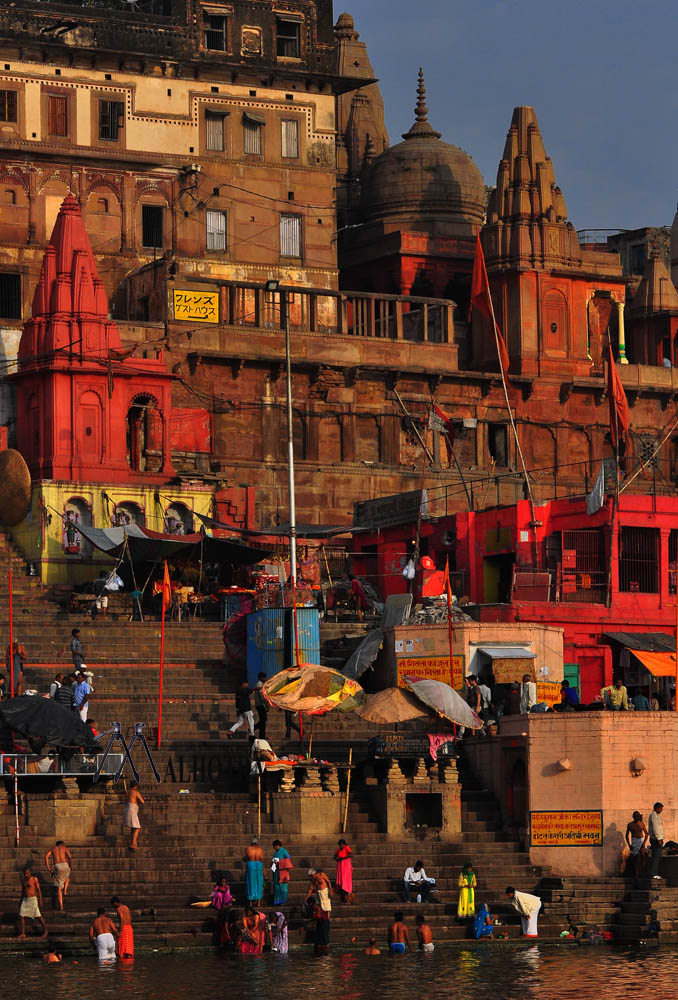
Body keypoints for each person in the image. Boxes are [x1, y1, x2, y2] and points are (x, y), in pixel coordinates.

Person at [18, 866, 47, 940]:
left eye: (27, 873)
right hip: (25, 900)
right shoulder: (23, 880)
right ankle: (23, 933)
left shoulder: (34, 879)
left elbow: (39, 890)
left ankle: (46, 931)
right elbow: (23, 891)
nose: (26, 875)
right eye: (25, 874)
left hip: (33, 900)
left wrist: (41, 900)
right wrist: (20, 901)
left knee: (38, 916)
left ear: (30, 873)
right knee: (21, 915)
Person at [45, 840, 72, 911]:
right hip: (65, 865)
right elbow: (70, 857)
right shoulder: (64, 847)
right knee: (67, 877)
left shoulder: (53, 848)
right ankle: (65, 890)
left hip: (57, 866)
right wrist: (70, 866)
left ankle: (61, 906)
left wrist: (49, 868)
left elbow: (46, 857)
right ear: (62, 844)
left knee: (59, 887)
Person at [625, 811, 649, 878]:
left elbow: (646, 834)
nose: (637, 817)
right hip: (634, 841)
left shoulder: (641, 824)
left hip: (641, 840)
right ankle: (635, 873)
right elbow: (626, 835)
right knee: (634, 858)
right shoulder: (630, 824)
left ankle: (643, 873)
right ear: (633, 817)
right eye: (635, 816)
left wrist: (643, 843)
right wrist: (629, 845)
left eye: (638, 816)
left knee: (643, 856)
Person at [124, 781, 144, 850]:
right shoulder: (136, 792)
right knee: (137, 828)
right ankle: (133, 844)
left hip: (126, 809)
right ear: (135, 786)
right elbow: (142, 801)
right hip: (132, 810)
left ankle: (133, 843)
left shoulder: (127, 792)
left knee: (133, 828)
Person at [243, 837, 264, 905]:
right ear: (257, 843)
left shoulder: (248, 849)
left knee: (250, 883)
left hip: (251, 864)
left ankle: (251, 903)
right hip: (259, 865)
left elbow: (243, 858)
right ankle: (258, 902)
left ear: (251, 843)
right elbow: (262, 859)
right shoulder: (260, 849)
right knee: (259, 883)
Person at [271, 839, 292, 906]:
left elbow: (288, 859)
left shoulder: (283, 851)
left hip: (283, 871)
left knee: (283, 886)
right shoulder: (275, 853)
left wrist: (280, 862)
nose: (273, 847)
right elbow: (274, 862)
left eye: (274, 846)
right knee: (277, 886)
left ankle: (283, 901)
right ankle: (277, 901)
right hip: (276, 871)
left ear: (277, 845)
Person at [649, 802, 665, 879]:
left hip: (656, 839)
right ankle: (654, 873)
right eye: (661, 808)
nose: (661, 810)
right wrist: (659, 839)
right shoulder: (654, 816)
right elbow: (656, 828)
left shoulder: (655, 816)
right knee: (656, 857)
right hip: (656, 839)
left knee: (656, 856)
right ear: (657, 808)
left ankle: (654, 872)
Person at [334, 839, 353, 903]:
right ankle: (343, 898)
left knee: (346, 881)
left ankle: (348, 898)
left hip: (346, 867)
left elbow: (351, 854)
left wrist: (342, 858)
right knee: (342, 881)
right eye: (339, 846)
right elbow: (334, 856)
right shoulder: (339, 849)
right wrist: (337, 858)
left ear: (343, 844)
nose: (339, 847)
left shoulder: (347, 847)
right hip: (340, 867)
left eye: (340, 845)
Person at [254, 672, 268, 739]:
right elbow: (262, 696)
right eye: (264, 677)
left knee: (263, 720)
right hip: (260, 705)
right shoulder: (259, 684)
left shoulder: (261, 684)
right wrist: (266, 704)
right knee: (263, 720)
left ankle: (262, 735)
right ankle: (254, 729)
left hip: (260, 704)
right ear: (261, 678)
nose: (265, 679)